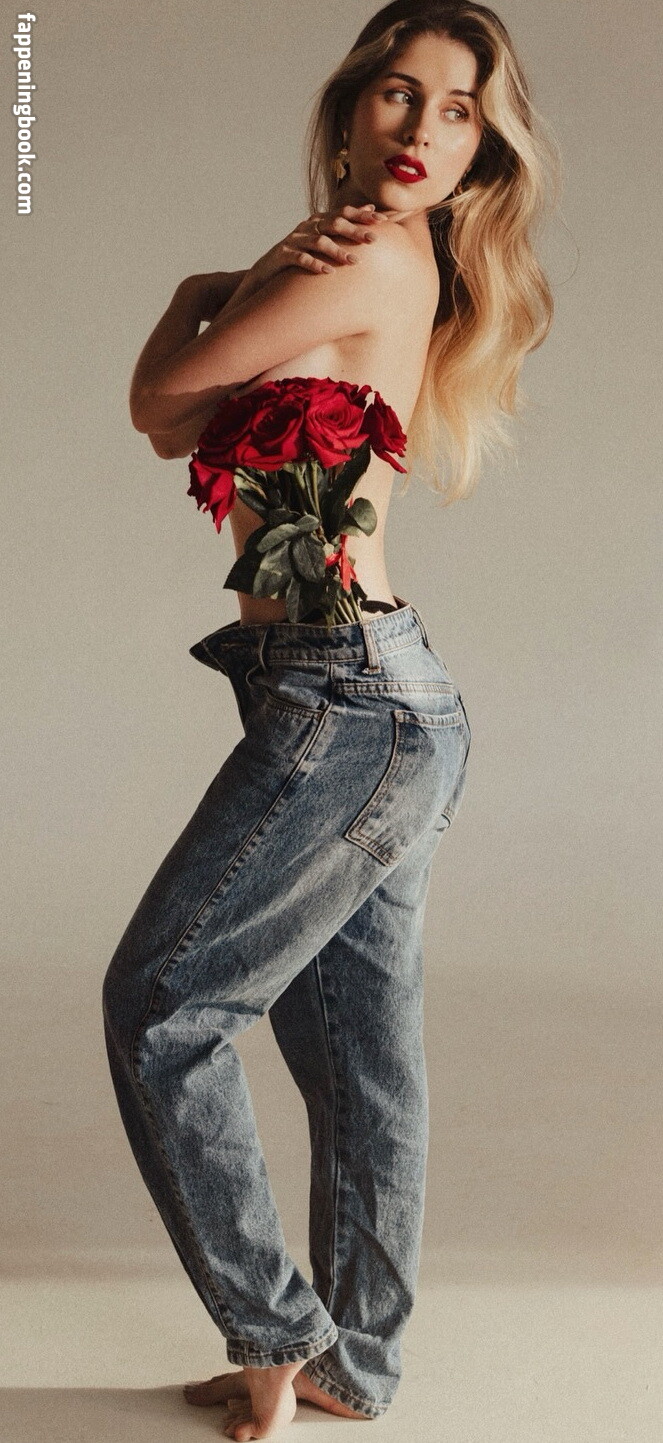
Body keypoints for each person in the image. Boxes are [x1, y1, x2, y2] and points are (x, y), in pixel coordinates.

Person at [102, 2, 559, 1437]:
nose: (423, 129)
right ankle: (351, 1364)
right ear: (353, 106)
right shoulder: (367, 257)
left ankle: (279, 1336)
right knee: (362, 1063)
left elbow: (159, 395)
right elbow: (178, 428)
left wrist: (197, 288)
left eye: (460, 111)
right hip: (376, 701)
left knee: (163, 1007)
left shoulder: (361, 252)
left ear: (483, 149)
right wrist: (237, 283)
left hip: (344, 696)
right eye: (400, 95)